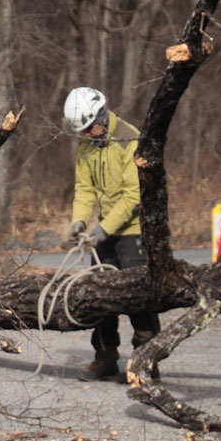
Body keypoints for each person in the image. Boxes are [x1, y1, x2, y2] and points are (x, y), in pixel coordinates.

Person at [63, 87, 160, 382]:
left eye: (90, 128)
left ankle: (146, 361)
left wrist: (105, 228)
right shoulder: (87, 145)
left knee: (136, 294)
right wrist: (79, 221)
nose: (88, 134)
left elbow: (134, 196)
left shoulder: (130, 141)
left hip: (133, 230)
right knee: (99, 294)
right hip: (106, 231)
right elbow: (85, 188)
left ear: (102, 116)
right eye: (83, 131)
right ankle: (105, 357)